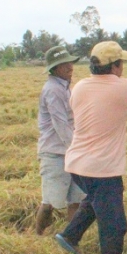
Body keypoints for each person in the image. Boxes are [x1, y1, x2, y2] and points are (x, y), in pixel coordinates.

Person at [54, 41, 127, 254]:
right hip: (102, 169)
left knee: (96, 200)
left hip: (76, 164)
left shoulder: (80, 87)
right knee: (115, 225)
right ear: (115, 66)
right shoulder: (124, 87)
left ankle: (69, 236)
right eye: (121, 62)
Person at [35, 46, 84, 235]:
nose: (69, 66)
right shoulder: (53, 90)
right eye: (63, 64)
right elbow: (60, 124)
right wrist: (77, 148)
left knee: (76, 201)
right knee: (50, 203)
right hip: (55, 153)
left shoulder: (65, 87)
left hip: (69, 150)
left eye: (69, 62)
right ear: (54, 68)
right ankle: (38, 235)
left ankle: (70, 237)